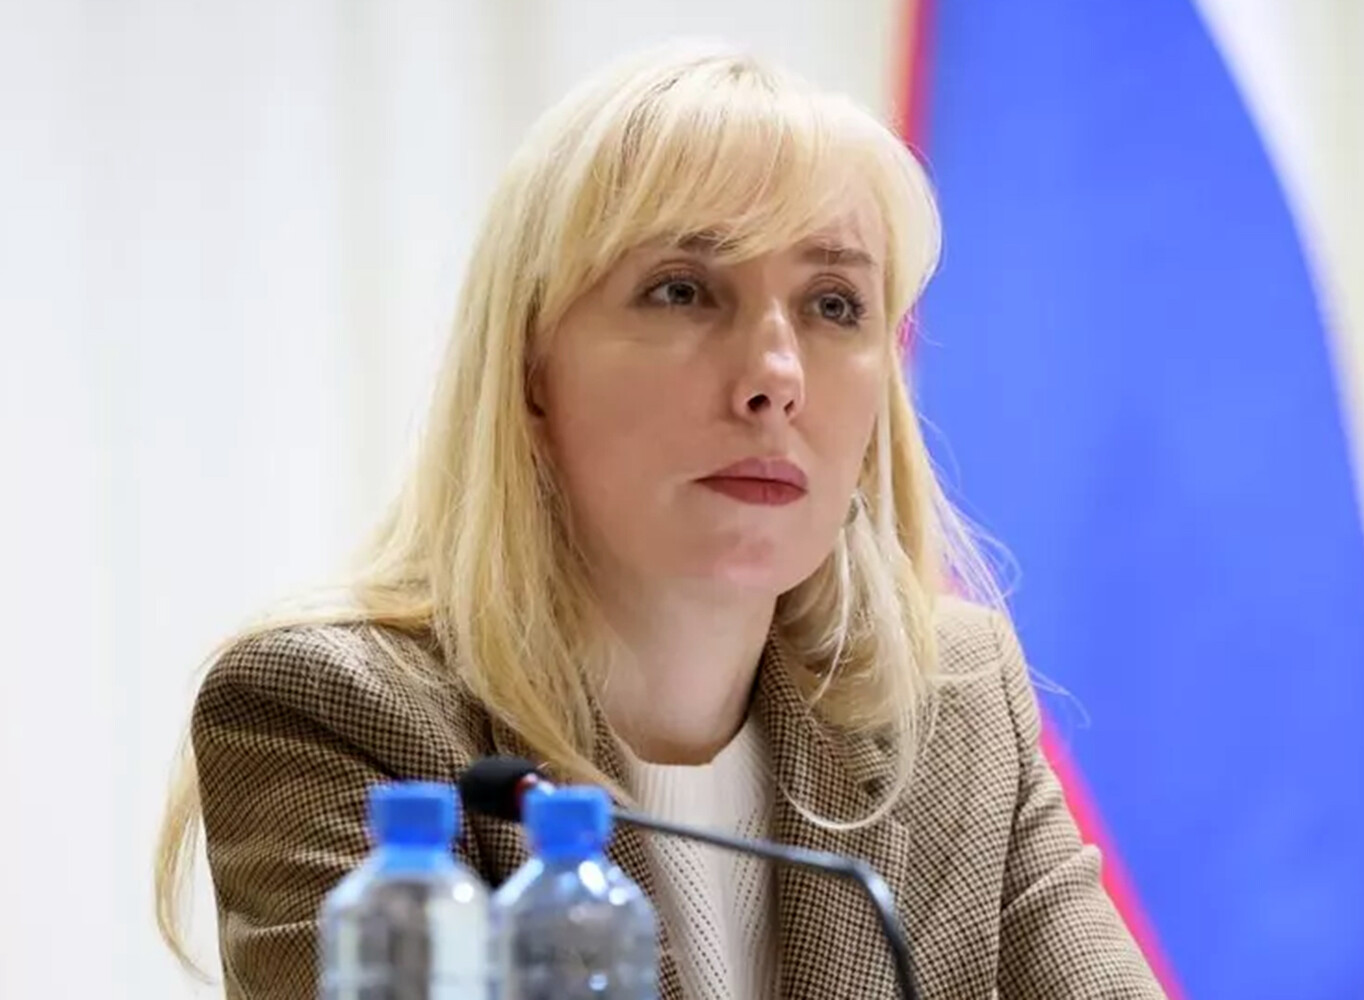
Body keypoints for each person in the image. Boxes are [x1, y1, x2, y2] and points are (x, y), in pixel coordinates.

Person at [154, 39, 1165, 1000]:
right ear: (529, 372)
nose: (775, 375)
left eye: (833, 304)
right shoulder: (338, 713)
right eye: (683, 290)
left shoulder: (951, 708)